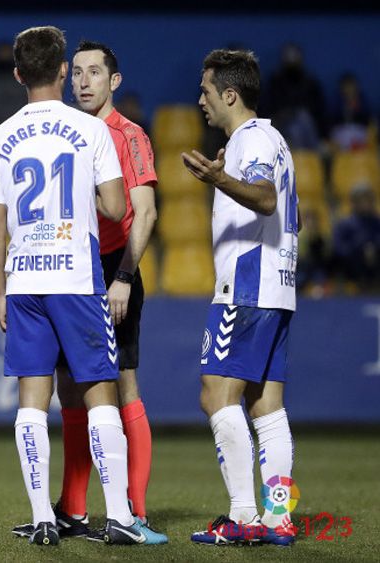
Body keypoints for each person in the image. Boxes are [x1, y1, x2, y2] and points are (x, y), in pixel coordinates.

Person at [0, 26, 166, 547]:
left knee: (33, 400)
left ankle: (43, 518)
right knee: (102, 393)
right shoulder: (91, 132)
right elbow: (114, 207)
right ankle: (122, 516)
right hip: (78, 280)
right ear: (62, 71)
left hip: (25, 282)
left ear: (17, 74)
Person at [182, 49, 299, 547]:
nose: (201, 101)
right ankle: (278, 519)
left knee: (216, 392)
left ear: (230, 94)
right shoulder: (276, 140)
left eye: (207, 92)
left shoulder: (251, 139)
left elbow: (266, 197)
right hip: (278, 285)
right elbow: (292, 211)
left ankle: (244, 516)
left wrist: (218, 178)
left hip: (246, 284)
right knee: (266, 406)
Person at [45, 40, 160, 539]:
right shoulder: (68, 131)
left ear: (115, 81)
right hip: (72, 267)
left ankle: (133, 510)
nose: (84, 82)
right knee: (70, 388)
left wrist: (125, 277)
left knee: (123, 384)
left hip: (114, 269)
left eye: (96, 73)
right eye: (78, 74)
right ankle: (72, 508)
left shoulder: (128, 135)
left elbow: (145, 211)